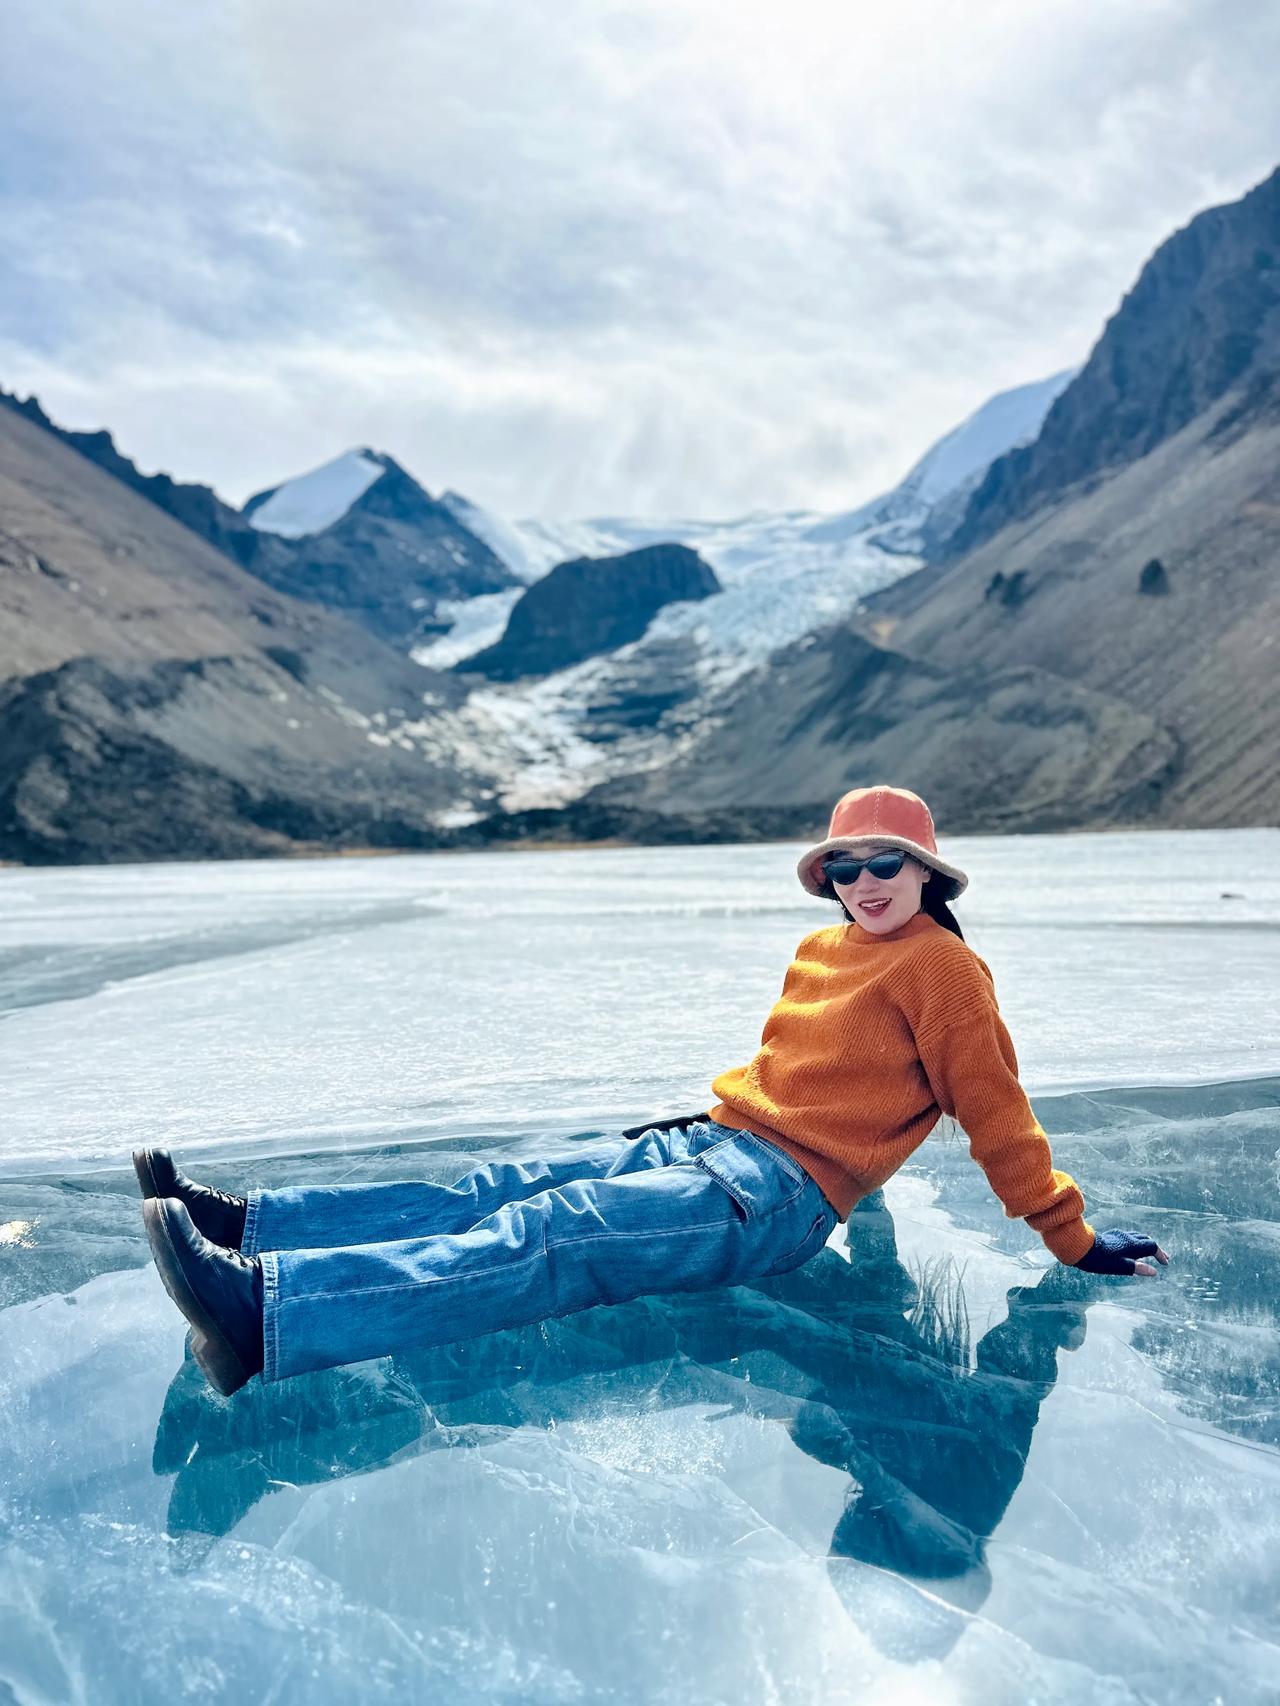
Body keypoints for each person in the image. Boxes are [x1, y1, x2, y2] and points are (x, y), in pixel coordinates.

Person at [137, 783, 1169, 1396]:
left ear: (926, 871)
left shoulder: (942, 969)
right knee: (498, 1184)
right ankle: (255, 1223)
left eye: (884, 861)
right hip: (712, 1141)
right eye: (843, 863)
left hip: (775, 1198)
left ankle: (264, 1318)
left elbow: (990, 1110)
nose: (862, 878)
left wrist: (1068, 1234)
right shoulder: (826, 945)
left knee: (552, 1234)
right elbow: (817, 1077)